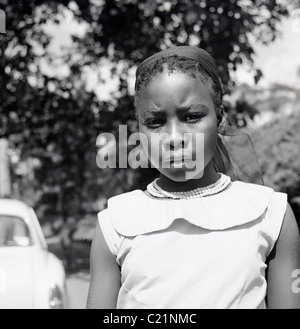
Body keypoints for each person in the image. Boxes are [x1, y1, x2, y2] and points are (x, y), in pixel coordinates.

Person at [86, 46, 300, 309]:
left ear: (220, 118)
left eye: (192, 117)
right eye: (155, 122)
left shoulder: (271, 214)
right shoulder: (116, 223)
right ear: (139, 130)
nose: (174, 138)